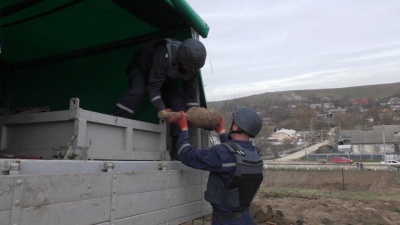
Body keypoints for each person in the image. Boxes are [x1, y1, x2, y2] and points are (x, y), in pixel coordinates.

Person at [112, 38, 207, 160]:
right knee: (138, 91)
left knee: (179, 104)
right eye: (190, 67)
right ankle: (115, 123)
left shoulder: (193, 68)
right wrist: (163, 110)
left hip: (164, 80)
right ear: (181, 59)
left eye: (194, 68)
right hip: (141, 70)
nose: (192, 70)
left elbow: (191, 97)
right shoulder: (164, 55)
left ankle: (177, 149)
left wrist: (197, 115)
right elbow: (153, 88)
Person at [172, 107, 264, 225]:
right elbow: (233, 152)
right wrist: (221, 131)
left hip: (225, 221)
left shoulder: (222, 153)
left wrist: (183, 128)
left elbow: (186, 155)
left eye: (233, 123)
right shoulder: (255, 153)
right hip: (246, 218)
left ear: (236, 127)